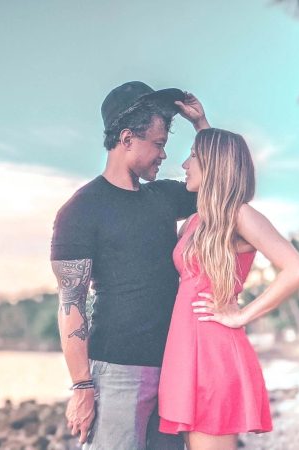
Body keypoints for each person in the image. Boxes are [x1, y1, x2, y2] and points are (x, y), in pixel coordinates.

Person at [50, 81, 210, 449]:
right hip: (117, 370)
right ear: (126, 139)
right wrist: (82, 386)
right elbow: (70, 305)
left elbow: (221, 182)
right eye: (158, 144)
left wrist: (203, 125)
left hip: (172, 366)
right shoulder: (80, 210)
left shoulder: (163, 198)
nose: (164, 155)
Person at [157, 128, 299, 450]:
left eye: (193, 156)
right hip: (184, 351)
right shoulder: (196, 221)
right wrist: (201, 122)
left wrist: (241, 316)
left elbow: (297, 270)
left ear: (212, 164)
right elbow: (220, 149)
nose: (184, 164)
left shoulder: (239, 215)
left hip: (213, 351)